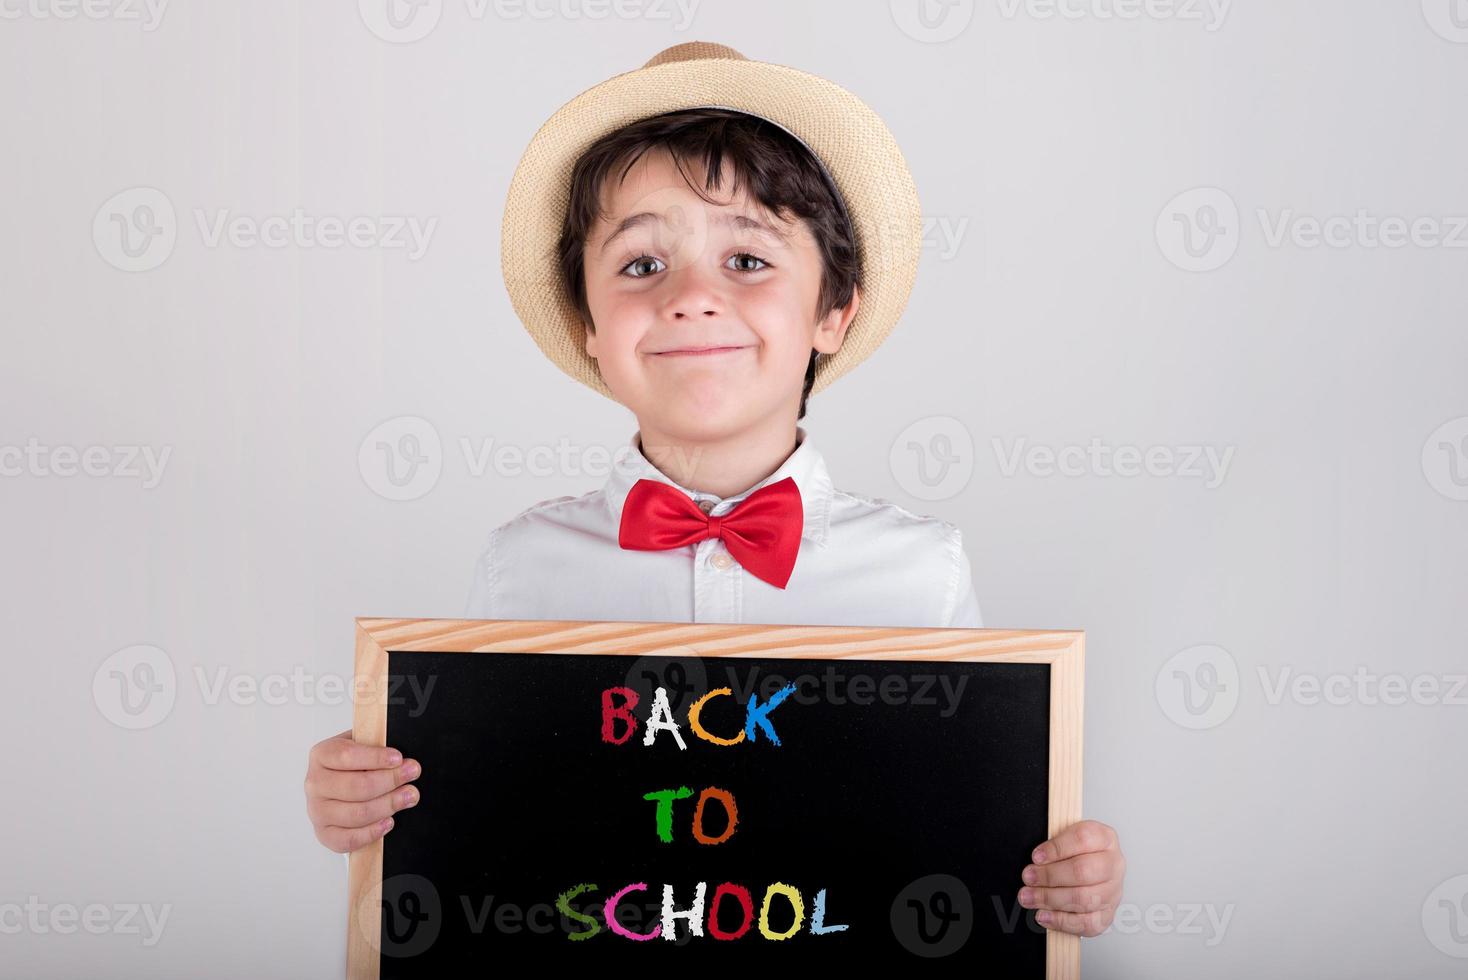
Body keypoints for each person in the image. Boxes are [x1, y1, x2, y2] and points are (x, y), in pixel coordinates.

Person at [304, 41, 1125, 939]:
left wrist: (1065, 877)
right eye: (641, 264)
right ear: (587, 321)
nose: (693, 297)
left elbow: (972, 824)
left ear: (832, 310)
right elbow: (483, 816)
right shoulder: (521, 570)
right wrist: (366, 802)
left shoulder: (919, 574)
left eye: (747, 261)